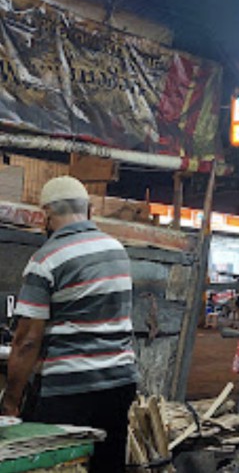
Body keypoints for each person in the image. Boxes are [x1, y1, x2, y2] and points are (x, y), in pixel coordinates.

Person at [1, 176, 138, 472]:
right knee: (108, 464)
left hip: (69, 388)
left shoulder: (46, 260)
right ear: (88, 211)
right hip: (119, 382)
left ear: (46, 216)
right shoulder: (117, 250)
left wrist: (11, 400)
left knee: (55, 464)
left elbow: (26, 341)